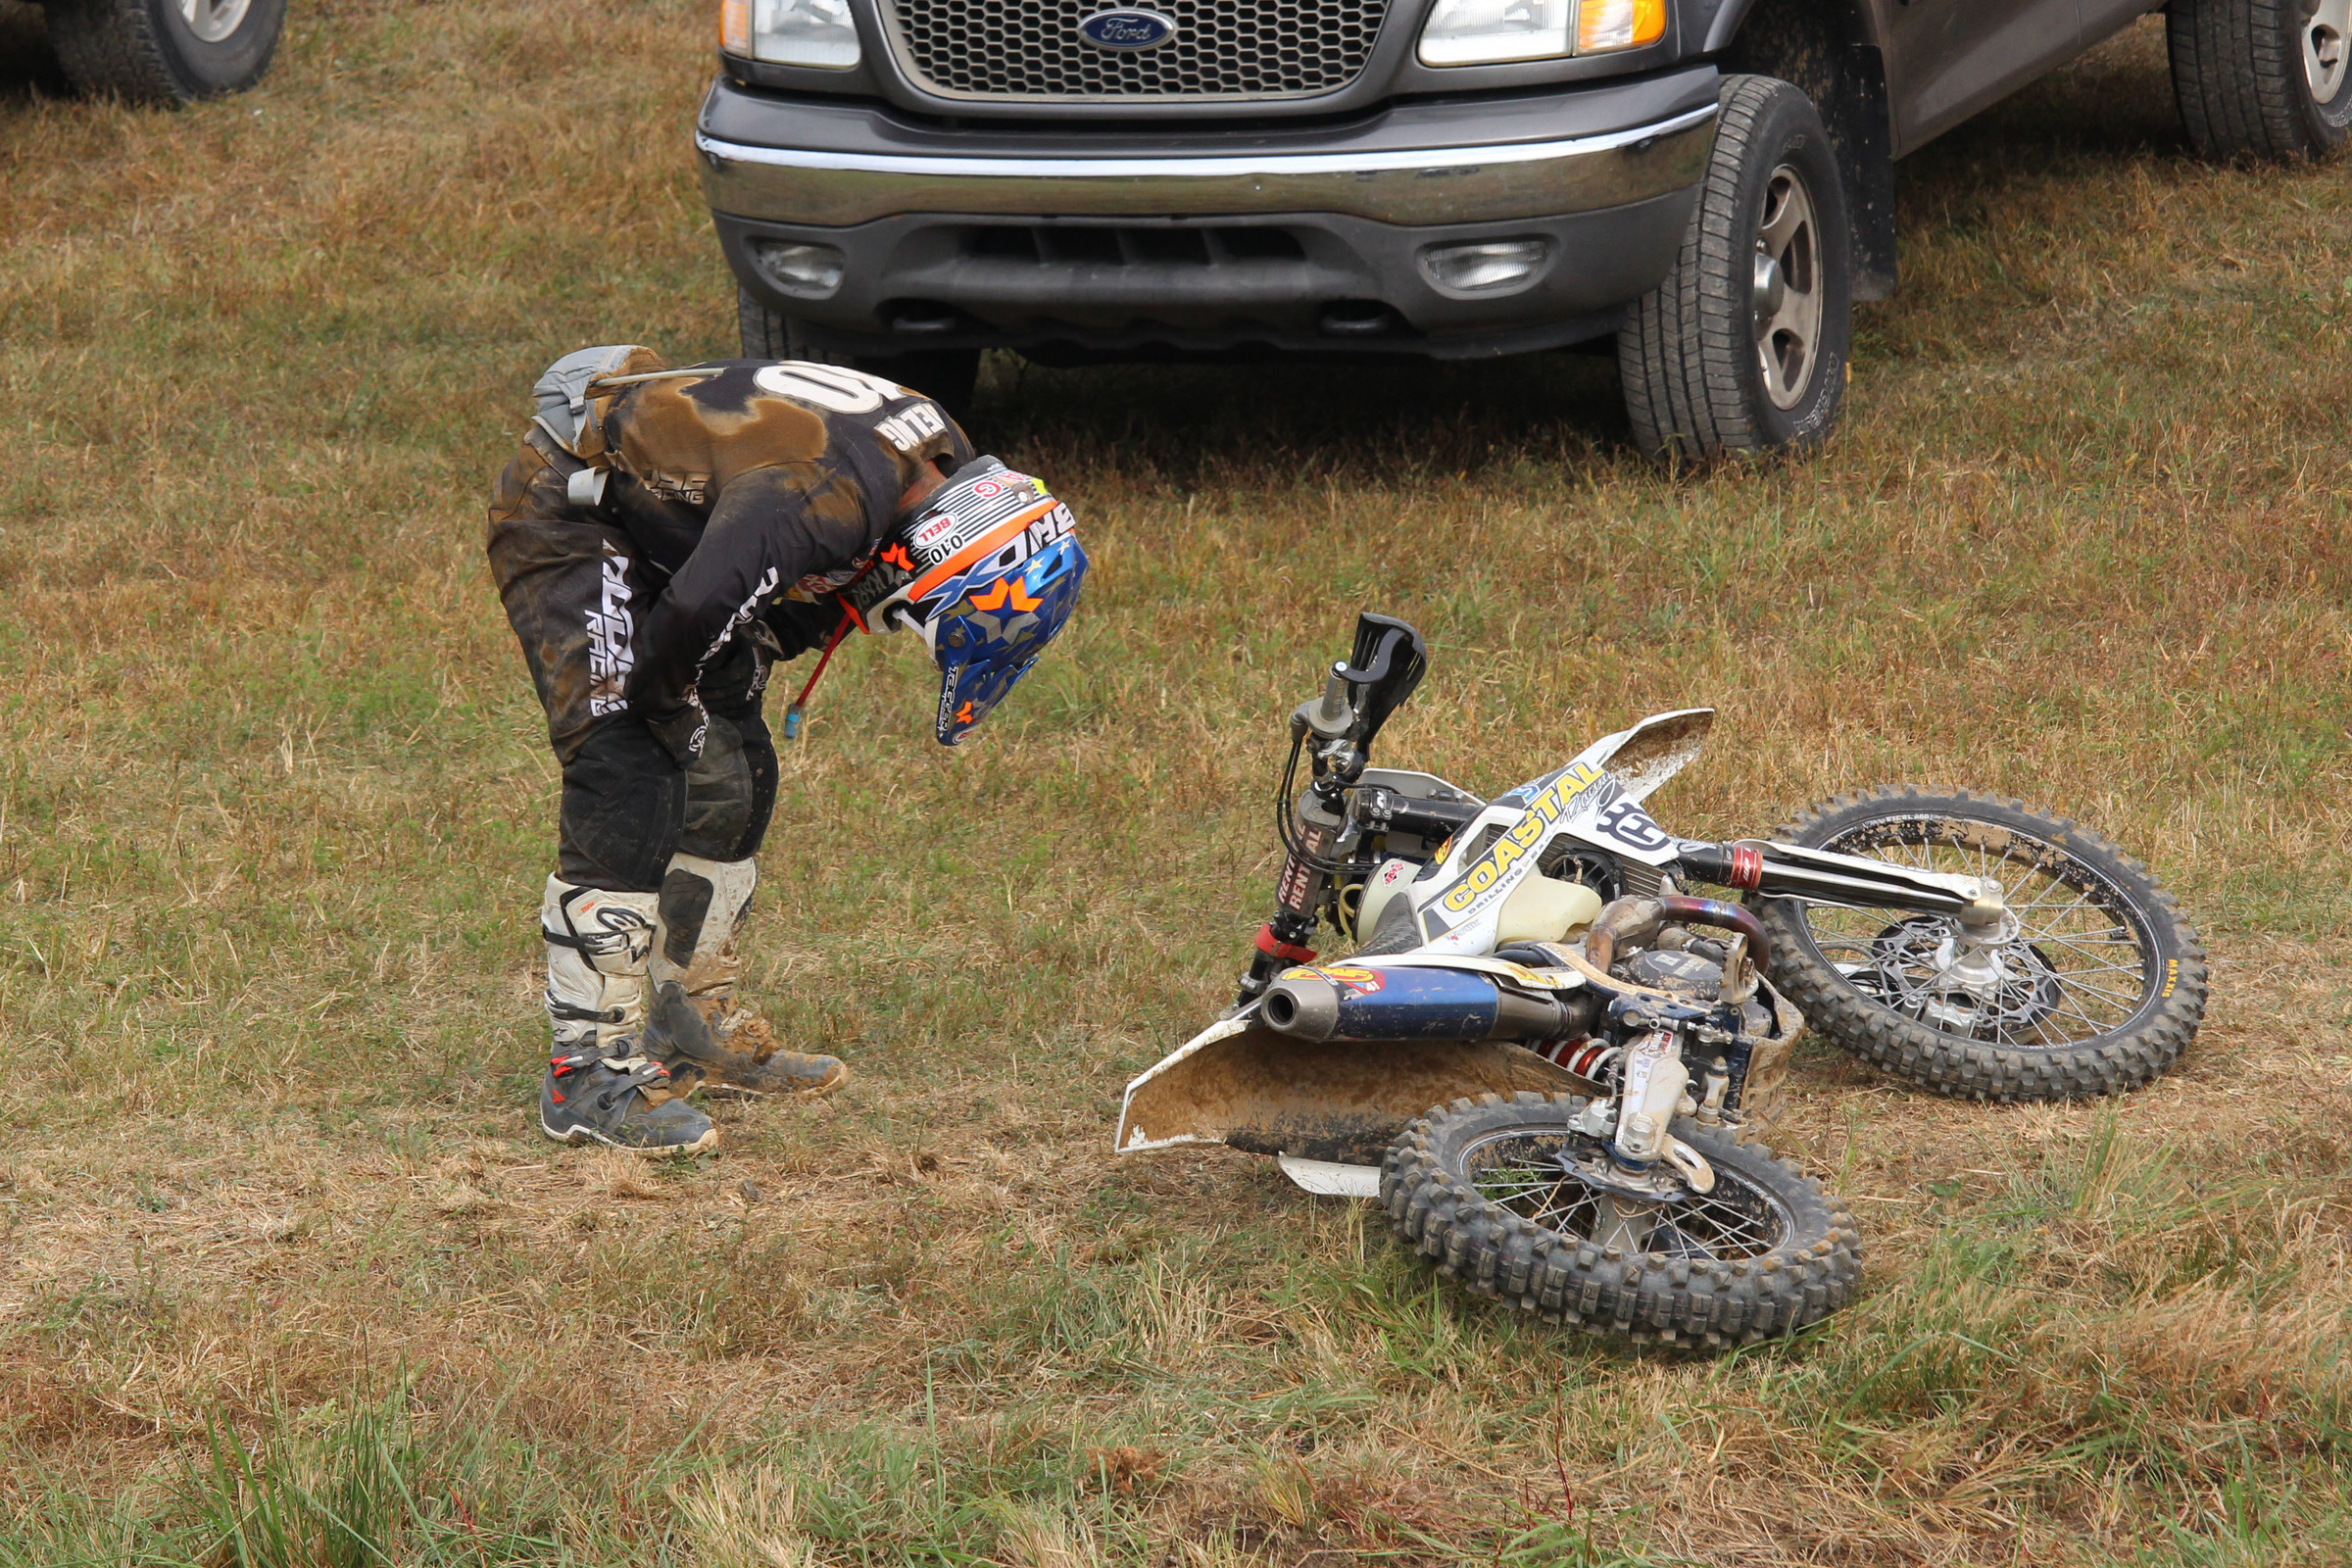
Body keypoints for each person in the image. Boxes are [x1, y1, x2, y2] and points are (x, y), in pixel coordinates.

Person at [485, 347, 1087, 1155]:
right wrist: (664, 710)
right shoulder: (818, 501)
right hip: (576, 499)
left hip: (674, 508)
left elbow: (784, 592)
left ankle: (685, 1019)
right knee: (629, 761)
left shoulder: (930, 455)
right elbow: (702, 605)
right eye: (917, 619)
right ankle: (584, 1072)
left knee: (730, 763)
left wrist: (704, 700)